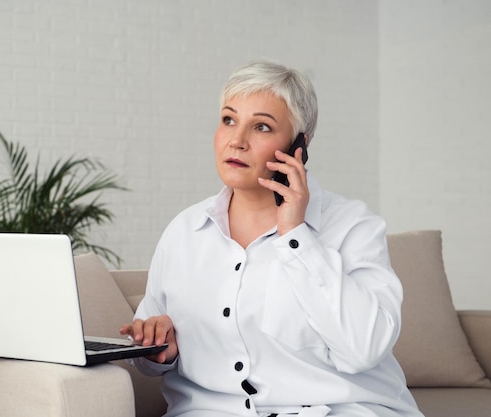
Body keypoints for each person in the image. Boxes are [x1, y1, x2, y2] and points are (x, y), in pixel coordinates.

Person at [120, 60, 424, 417]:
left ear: (299, 146)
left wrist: (297, 236)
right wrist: (159, 351)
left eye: (261, 126)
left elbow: (364, 349)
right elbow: (150, 353)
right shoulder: (184, 232)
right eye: (228, 120)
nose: (237, 140)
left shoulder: (353, 226)